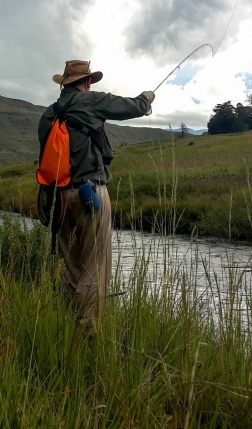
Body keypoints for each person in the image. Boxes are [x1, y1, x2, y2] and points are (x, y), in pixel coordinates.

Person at [38, 60, 155, 330]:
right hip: (91, 194)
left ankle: (67, 323)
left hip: (57, 199)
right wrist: (147, 98)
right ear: (87, 81)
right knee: (95, 263)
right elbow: (133, 107)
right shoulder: (90, 101)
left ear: (64, 83)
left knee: (70, 264)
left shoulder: (48, 114)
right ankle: (89, 329)